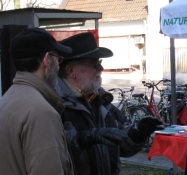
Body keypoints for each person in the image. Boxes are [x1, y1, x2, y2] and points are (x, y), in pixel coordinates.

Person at [55, 32, 164, 175]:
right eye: (94, 64)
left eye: (99, 62)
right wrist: (85, 137)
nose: (101, 69)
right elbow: (53, 150)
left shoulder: (100, 99)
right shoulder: (55, 103)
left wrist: (137, 132)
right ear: (71, 71)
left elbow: (122, 144)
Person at [0, 28, 75, 175]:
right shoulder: (41, 113)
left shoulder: (7, 99)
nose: (59, 66)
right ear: (47, 60)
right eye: (58, 59)